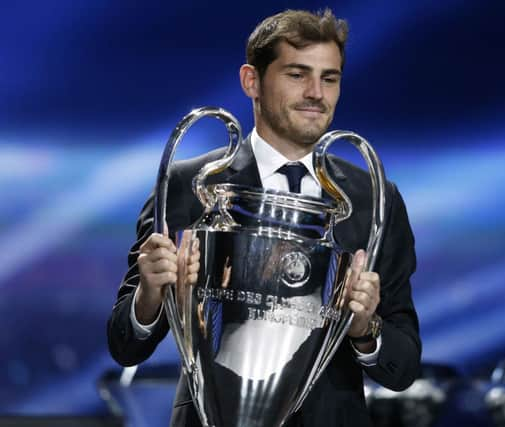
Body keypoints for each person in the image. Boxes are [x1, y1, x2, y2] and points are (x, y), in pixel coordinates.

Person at [107, 8, 421, 427]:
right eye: (297, 74)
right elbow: (126, 347)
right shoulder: (190, 184)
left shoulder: (373, 198)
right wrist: (150, 293)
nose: (316, 93)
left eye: (329, 78)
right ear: (251, 81)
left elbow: (403, 367)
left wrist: (365, 329)